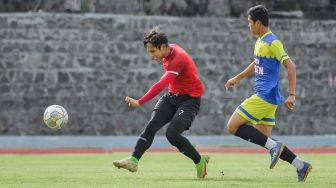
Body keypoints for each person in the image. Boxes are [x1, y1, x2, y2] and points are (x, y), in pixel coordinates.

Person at [224, 5, 312, 182]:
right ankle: (301, 165)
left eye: (249, 22)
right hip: (269, 98)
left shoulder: (273, 42)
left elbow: (291, 66)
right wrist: (238, 77)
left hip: (264, 96)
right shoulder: (260, 41)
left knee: (232, 126)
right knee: (266, 140)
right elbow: (256, 64)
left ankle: (275, 147)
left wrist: (292, 94)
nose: (248, 26)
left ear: (258, 23)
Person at [113, 26, 209, 178]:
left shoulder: (178, 59)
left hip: (190, 100)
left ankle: (200, 161)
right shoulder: (168, 51)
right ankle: (133, 160)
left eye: (153, 51)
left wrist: (140, 101)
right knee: (152, 126)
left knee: (172, 135)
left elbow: (160, 84)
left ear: (163, 47)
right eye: (149, 51)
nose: (151, 55)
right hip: (172, 97)